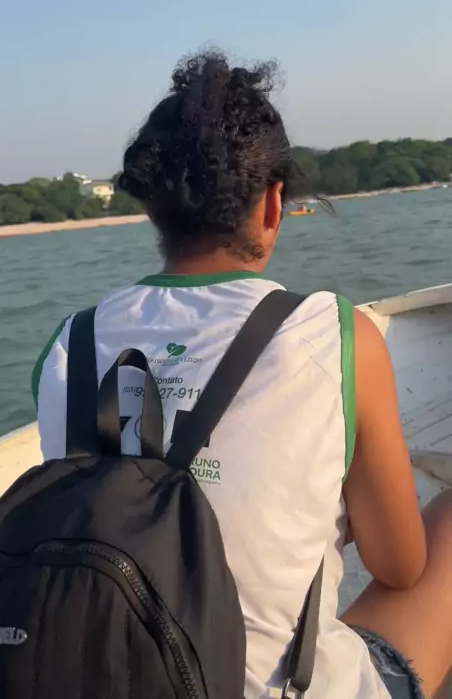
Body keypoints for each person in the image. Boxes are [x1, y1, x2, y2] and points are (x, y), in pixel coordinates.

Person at [33, 51, 452, 699]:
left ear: (153, 211)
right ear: (274, 205)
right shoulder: (335, 334)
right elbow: (400, 567)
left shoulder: (68, 346)